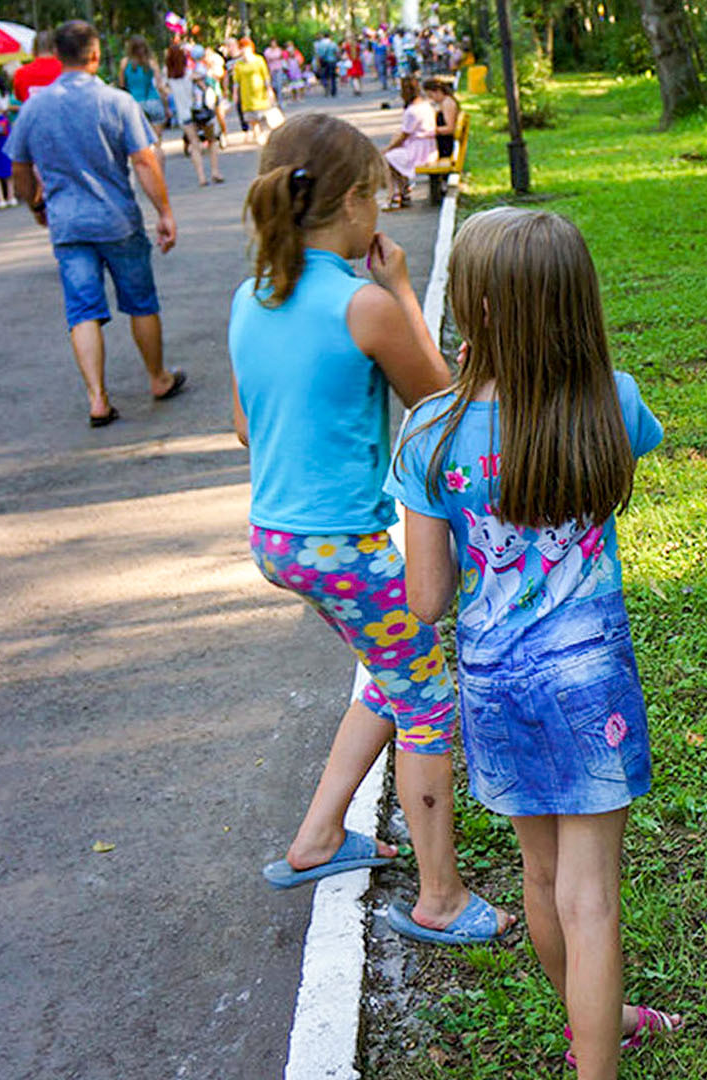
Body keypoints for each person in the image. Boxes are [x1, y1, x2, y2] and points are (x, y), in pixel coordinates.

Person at [386, 207, 680, 1078]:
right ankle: (601, 1046)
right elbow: (622, 467)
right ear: (572, 304)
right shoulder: (614, 402)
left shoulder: (429, 433)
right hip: (591, 678)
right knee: (593, 899)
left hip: (493, 683)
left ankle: (596, 1021)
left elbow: (430, 597)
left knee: (541, 877)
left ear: (472, 312)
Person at [229, 113, 512, 946]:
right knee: (429, 701)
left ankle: (318, 838)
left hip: (278, 540)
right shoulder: (361, 304)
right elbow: (438, 403)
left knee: (391, 670)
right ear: (355, 203)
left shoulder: (251, 296)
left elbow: (248, 430)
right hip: (342, 547)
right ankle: (441, 898)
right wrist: (400, 292)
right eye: (380, 195)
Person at [9, 20, 185, 428]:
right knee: (140, 302)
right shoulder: (116, 101)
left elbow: (20, 164)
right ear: (94, 55)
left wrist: (34, 204)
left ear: (56, 54)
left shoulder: (35, 106)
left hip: (67, 225)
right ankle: (158, 378)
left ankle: (97, 398)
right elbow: (144, 160)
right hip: (117, 220)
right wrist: (164, 211)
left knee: (82, 310)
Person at [382, 76, 433, 209]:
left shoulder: (412, 111)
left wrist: (388, 148)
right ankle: (403, 191)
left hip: (418, 150)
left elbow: (404, 135)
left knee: (388, 158)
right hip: (427, 146)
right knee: (394, 157)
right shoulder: (425, 105)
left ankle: (393, 194)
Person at [177, 45, 225, 186]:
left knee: (195, 144)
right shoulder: (202, 71)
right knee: (212, 140)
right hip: (204, 110)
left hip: (189, 112)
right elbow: (209, 88)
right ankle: (215, 171)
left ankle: (201, 176)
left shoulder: (183, 73)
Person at [229, 38, 279, 145]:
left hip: (260, 94)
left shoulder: (259, 60)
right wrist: (235, 94)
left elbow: (265, 76)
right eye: (242, 48)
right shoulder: (238, 65)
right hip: (247, 95)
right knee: (252, 119)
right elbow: (236, 81)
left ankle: (265, 135)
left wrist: (269, 90)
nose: (244, 50)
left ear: (251, 48)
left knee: (263, 117)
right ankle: (258, 137)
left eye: (246, 48)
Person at [119, 36, 166, 130]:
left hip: (134, 102)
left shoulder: (124, 63)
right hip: (152, 100)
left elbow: (122, 86)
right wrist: (166, 104)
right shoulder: (151, 62)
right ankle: (157, 145)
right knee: (157, 133)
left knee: (139, 134)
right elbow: (160, 86)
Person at [13, 31, 62, 102]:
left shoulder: (21, 73)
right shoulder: (67, 70)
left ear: (33, 50)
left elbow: (20, 97)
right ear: (57, 48)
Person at [425, 75, 459, 159]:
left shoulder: (447, 103)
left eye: (431, 95)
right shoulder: (444, 103)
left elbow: (450, 128)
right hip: (443, 143)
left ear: (438, 91)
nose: (432, 99)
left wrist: (432, 131)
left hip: (446, 146)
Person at [0, 71, 15, 208]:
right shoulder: (4, 92)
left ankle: (1, 198)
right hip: (2, 124)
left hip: (1, 124)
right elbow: (4, 108)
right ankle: (11, 195)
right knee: (6, 158)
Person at [313, 30, 339, 97]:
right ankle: (333, 91)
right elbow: (337, 53)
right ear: (330, 36)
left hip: (324, 62)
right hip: (332, 61)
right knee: (333, 76)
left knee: (324, 75)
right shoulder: (333, 43)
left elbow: (318, 55)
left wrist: (318, 63)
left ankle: (326, 86)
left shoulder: (320, 44)